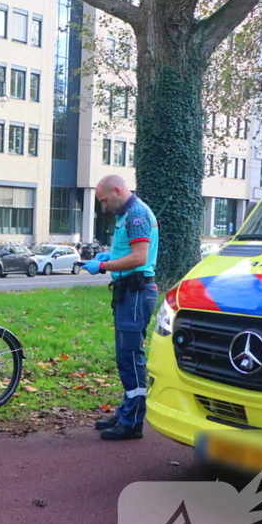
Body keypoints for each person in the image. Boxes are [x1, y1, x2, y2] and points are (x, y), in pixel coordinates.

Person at [82, 174, 159, 441]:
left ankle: (132, 422)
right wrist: (110, 255)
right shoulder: (127, 215)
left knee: (131, 357)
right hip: (130, 292)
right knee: (125, 356)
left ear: (117, 190)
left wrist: (103, 266)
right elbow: (129, 251)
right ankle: (127, 411)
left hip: (136, 292)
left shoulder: (136, 214)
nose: (105, 206)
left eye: (105, 200)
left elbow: (140, 256)